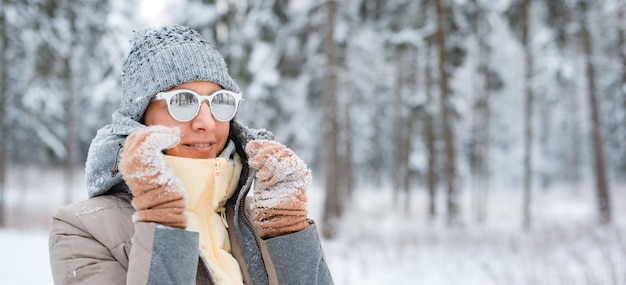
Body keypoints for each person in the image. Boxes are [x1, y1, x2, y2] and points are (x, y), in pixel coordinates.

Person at [48, 24, 334, 285]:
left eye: (220, 101)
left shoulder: (261, 219)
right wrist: (162, 222)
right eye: (183, 101)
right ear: (140, 118)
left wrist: (288, 233)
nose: (206, 122)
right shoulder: (83, 228)